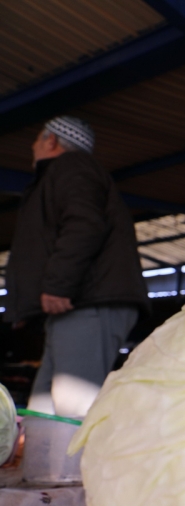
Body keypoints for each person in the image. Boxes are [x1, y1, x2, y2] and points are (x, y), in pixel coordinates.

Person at [4, 116, 150, 418]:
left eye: (37, 138)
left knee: (74, 408)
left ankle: (86, 466)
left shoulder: (72, 167)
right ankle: (45, 467)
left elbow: (85, 225)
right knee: (43, 412)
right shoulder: (65, 173)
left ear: (51, 141)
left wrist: (57, 284)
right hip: (76, 305)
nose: (33, 145)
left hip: (87, 302)